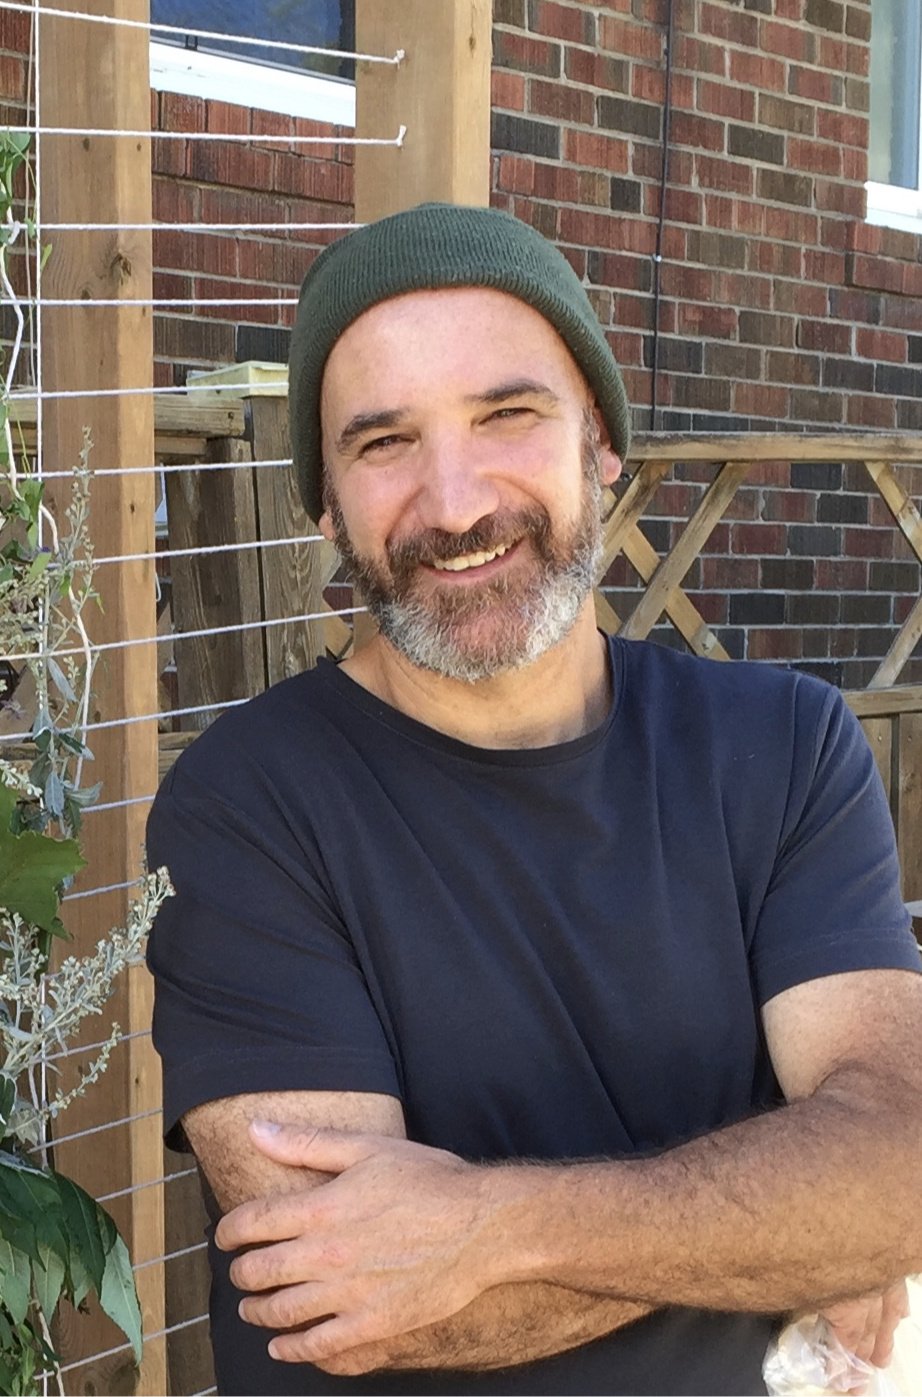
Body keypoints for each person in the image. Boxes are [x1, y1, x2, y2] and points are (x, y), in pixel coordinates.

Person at [146, 202, 922, 1397]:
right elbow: (349, 1296)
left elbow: (900, 1166)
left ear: (598, 442)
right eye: (384, 442)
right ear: (326, 507)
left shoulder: (784, 749)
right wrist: (792, 1221)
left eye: (506, 414)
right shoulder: (248, 805)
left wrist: (491, 1225)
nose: (455, 503)